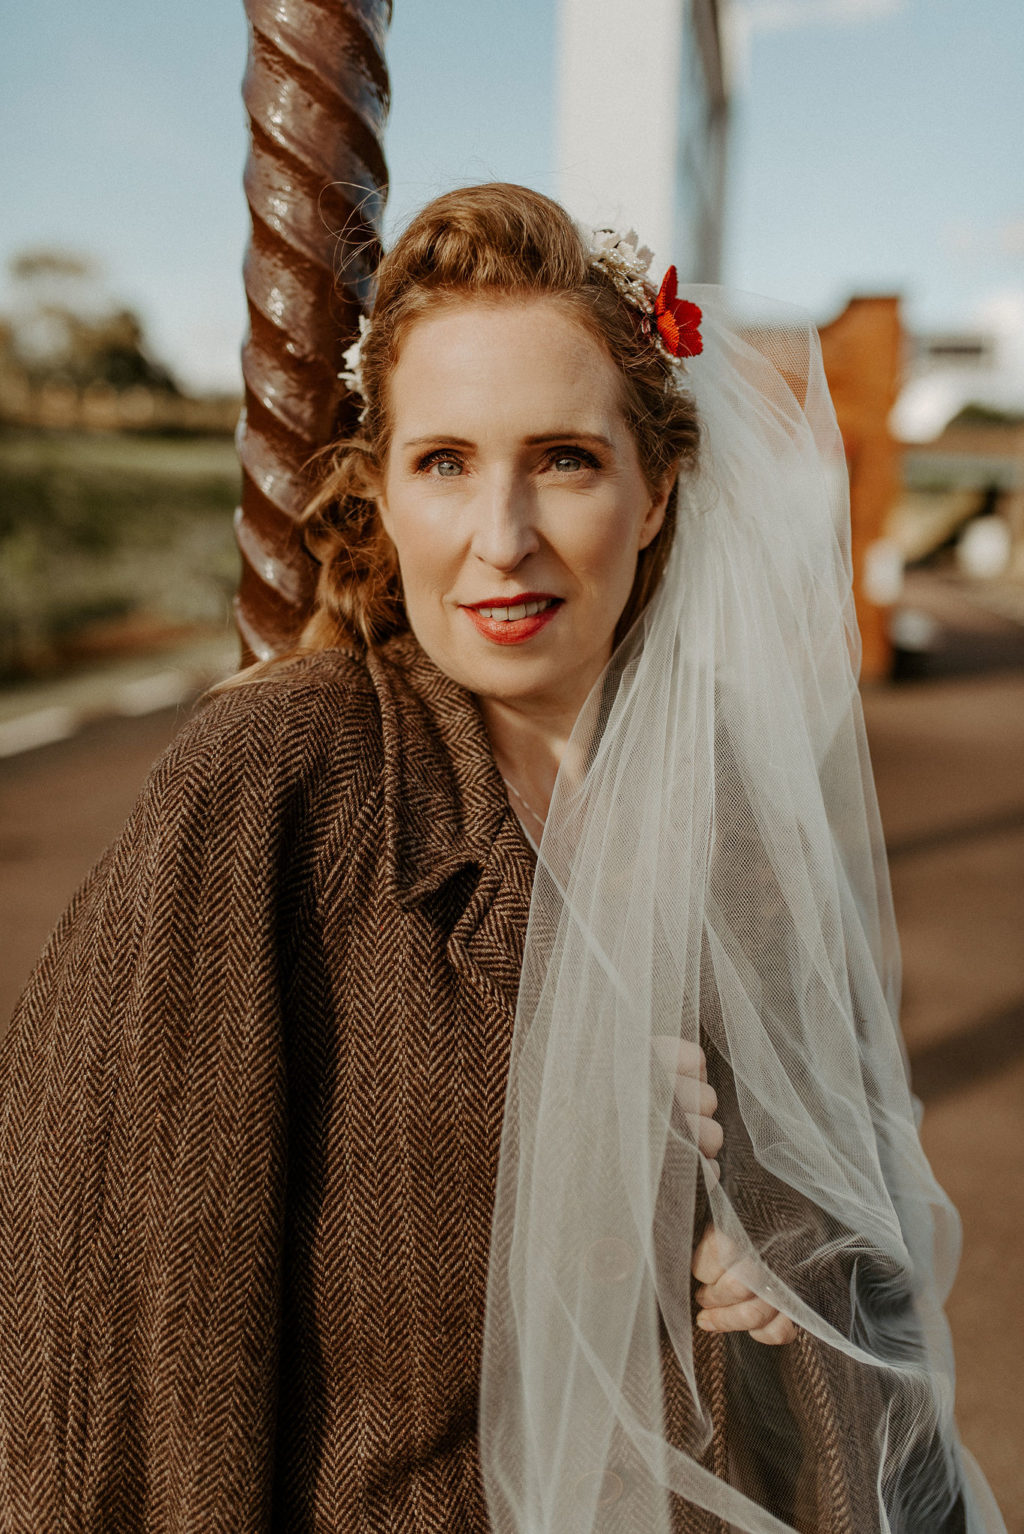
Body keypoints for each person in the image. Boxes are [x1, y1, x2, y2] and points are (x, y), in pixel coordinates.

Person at [0, 184, 1004, 1534]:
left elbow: (846, 1267)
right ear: (389, 491)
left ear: (655, 493)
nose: (503, 534)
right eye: (446, 461)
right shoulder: (283, 784)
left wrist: (791, 1261)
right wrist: (572, 1112)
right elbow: (108, 1290)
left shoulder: (734, 814)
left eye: (566, 459)